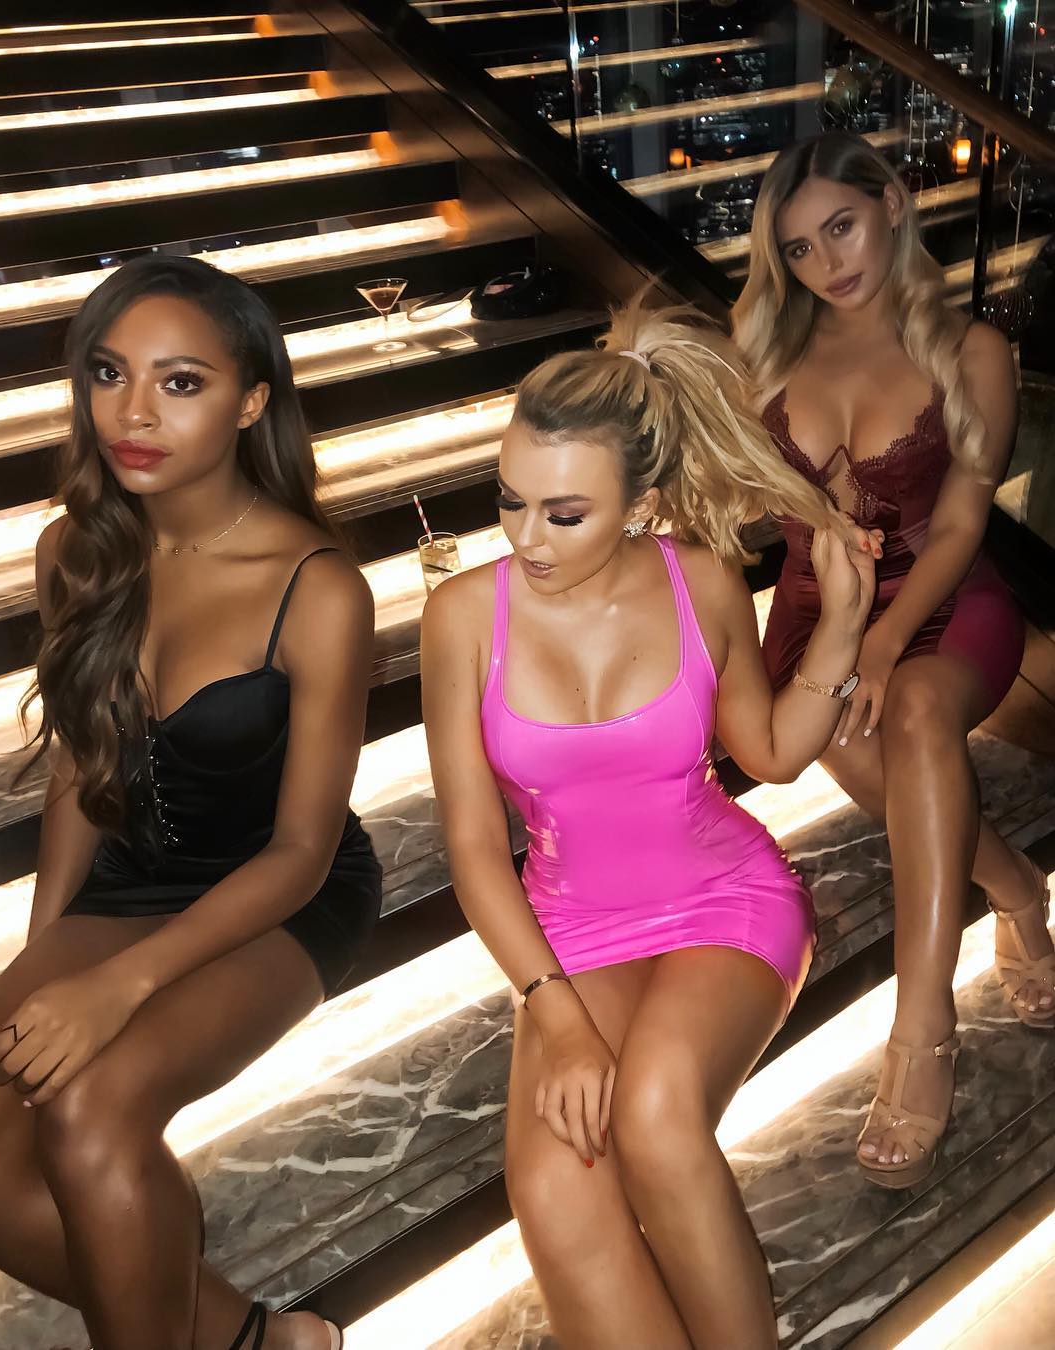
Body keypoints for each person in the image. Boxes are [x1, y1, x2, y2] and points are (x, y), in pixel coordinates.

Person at [421, 298, 878, 1349]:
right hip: (573, 927)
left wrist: (844, 625)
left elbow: (771, 754)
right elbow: (474, 850)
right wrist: (558, 1017)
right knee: (555, 1188)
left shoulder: (701, 579)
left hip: (727, 901)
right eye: (510, 500)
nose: (524, 537)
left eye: (563, 513)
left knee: (658, 1112)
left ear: (643, 505)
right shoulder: (462, 616)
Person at [0, 256, 381, 1350]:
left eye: (182, 381)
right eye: (109, 373)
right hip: (131, 876)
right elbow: (81, 769)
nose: (134, 413)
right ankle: (261, 1340)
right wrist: (49, 954)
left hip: (280, 890)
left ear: (251, 401)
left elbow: (302, 851)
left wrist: (118, 985)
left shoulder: (319, 587)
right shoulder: (78, 550)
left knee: (88, 1110)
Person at [733, 130, 1053, 1190]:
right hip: (812, 611)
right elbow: (741, 504)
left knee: (913, 710)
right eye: (799, 249)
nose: (827, 263)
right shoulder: (762, 348)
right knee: (880, 763)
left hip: (947, 598)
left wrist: (879, 636)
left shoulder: (971, 351)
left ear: (894, 204)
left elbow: (961, 523)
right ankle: (1016, 887)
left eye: (843, 226)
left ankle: (924, 1035)